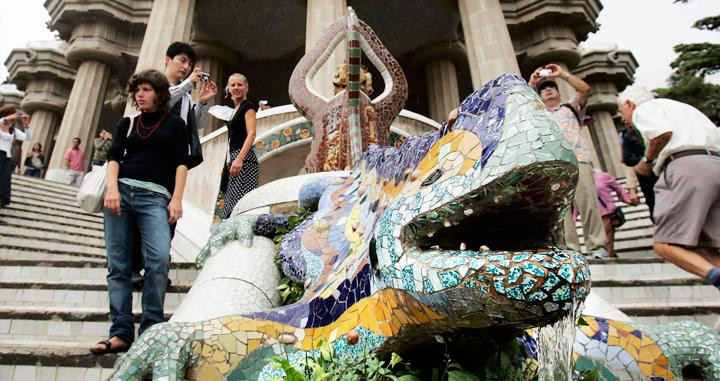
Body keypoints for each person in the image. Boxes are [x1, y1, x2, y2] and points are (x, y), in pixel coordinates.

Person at [91, 69, 189, 355]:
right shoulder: (127, 123)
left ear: (159, 93)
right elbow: (113, 158)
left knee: (158, 259)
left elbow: (182, 163)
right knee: (118, 265)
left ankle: (151, 328)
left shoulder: (175, 125)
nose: (140, 94)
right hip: (120, 195)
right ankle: (121, 331)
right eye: (137, 90)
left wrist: (177, 199)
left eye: (146, 89)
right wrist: (111, 189)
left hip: (156, 198)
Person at [617, 85, 720, 291]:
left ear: (629, 104)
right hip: (714, 164)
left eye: (622, 111)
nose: (624, 119)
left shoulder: (644, 109)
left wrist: (647, 161)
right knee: (704, 247)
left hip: (686, 167)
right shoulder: (683, 109)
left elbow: (661, 133)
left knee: (665, 245)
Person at [528, 64, 609, 259]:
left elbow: (584, 89)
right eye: (543, 89)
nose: (547, 90)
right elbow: (521, 103)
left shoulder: (571, 108)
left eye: (551, 87)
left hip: (579, 160)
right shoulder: (538, 113)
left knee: (588, 204)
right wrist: (532, 84)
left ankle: (597, 246)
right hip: (553, 164)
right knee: (560, 211)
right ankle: (569, 249)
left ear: (558, 92)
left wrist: (563, 74)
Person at [220, 73, 258, 219]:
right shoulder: (234, 111)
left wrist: (239, 159)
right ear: (228, 89)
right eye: (233, 85)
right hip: (235, 158)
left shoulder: (248, 106)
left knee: (240, 206)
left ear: (246, 88)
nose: (236, 88)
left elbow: (252, 134)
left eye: (239, 85)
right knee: (230, 206)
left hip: (245, 160)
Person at [593, 169, 637, 258]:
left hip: (607, 211)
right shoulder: (577, 180)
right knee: (607, 235)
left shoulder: (602, 176)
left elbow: (618, 188)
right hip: (592, 214)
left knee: (606, 234)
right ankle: (611, 254)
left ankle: (607, 255)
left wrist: (628, 199)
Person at [620, 125, 658, 221]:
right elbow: (628, 162)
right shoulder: (628, 137)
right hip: (650, 176)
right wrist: (632, 190)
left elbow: (627, 160)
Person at [0, 105, 31, 214]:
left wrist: (26, 125)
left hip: (7, 158)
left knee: (3, 184)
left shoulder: (13, 130)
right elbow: (2, 121)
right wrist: (10, 117)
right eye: (11, 114)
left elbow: (27, 138)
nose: (13, 117)